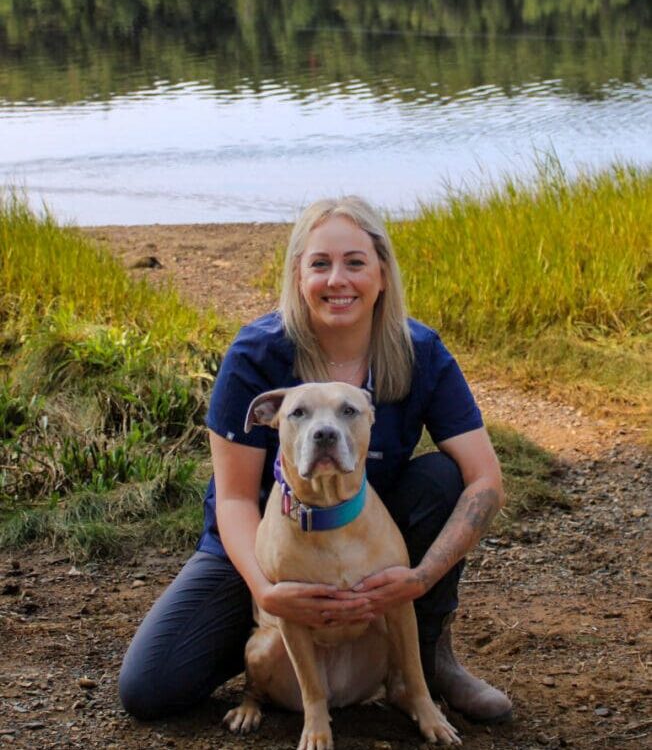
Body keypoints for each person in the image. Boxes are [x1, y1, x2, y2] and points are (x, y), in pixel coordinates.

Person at [119, 196, 512, 725]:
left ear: (381, 273)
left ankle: (425, 653)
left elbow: (485, 480)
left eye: (355, 262)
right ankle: (268, 652)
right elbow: (234, 497)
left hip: (366, 530)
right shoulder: (256, 355)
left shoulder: (418, 351)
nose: (338, 280)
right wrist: (269, 593)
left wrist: (418, 578)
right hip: (260, 546)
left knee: (443, 479)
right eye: (320, 264)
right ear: (298, 275)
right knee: (150, 689)